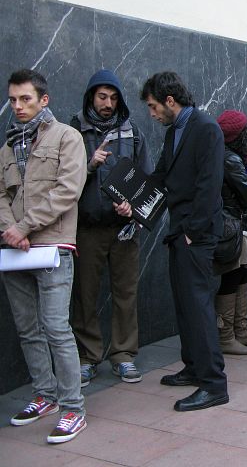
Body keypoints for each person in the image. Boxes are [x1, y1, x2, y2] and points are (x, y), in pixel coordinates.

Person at [1, 69, 88, 443]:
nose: (18, 106)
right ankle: (46, 395)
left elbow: (68, 190)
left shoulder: (67, 138)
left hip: (52, 247)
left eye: (26, 99)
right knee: (28, 329)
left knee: (56, 328)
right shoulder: (6, 147)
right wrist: (11, 229)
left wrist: (25, 227)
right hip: (14, 250)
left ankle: (73, 409)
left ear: (43, 100)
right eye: (13, 99)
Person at [133, 72, 228, 411]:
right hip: (181, 231)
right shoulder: (176, 130)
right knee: (186, 306)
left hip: (195, 234)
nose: (152, 113)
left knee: (199, 307)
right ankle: (193, 367)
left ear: (170, 101)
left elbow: (209, 184)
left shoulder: (205, 128)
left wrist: (193, 231)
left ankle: (214, 383)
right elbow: (161, 176)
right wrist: (130, 199)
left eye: (153, 106)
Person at [70, 69, 151, 387]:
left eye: (114, 98)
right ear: (91, 96)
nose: (108, 103)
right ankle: (88, 357)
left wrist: (132, 207)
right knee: (85, 295)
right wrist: (90, 166)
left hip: (124, 229)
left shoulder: (132, 133)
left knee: (126, 293)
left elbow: (145, 180)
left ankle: (124, 355)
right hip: (87, 226)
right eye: (102, 97)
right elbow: (62, 182)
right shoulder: (73, 131)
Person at [213, 111, 247, 355]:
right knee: (233, 276)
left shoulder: (224, 155)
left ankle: (240, 330)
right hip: (230, 224)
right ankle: (226, 336)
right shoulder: (230, 159)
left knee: (242, 273)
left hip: (233, 224)